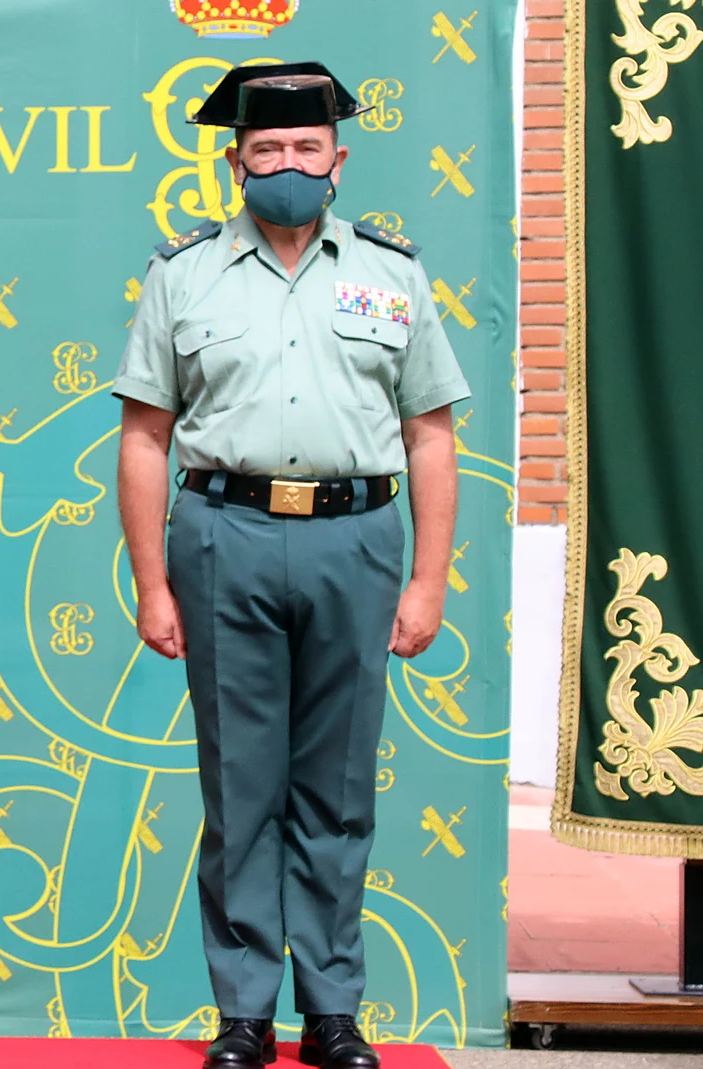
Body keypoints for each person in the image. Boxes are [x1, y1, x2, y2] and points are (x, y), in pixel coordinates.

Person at [112, 64, 469, 1069]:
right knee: (239, 786)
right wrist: (150, 580)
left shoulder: (393, 274)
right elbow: (145, 437)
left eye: (304, 149)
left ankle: (332, 1010)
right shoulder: (182, 275)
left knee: (338, 785)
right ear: (234, 163)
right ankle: (240, 1013)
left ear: (337, 160)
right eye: (265, 151)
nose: (286, 165)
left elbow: (431, 436)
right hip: (223, 535)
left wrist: (427, 580)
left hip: (357, 540)